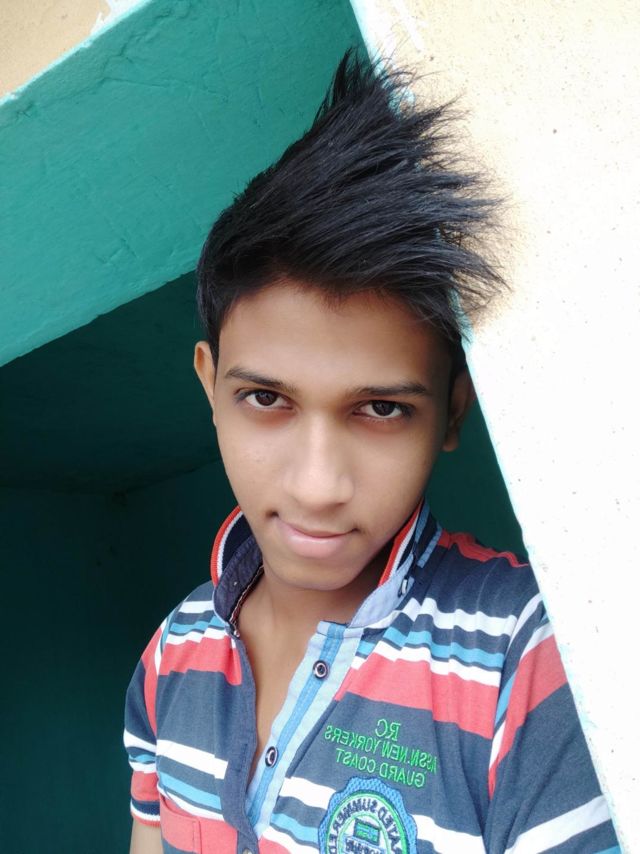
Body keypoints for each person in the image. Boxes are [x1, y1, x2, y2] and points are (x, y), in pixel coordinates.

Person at [124, 51, 619, 854]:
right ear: (211, 386)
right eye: (266, 399)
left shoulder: (525, 657)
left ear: (452, 413)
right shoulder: (170, 654)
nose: (318, 486)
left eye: (382, 409)